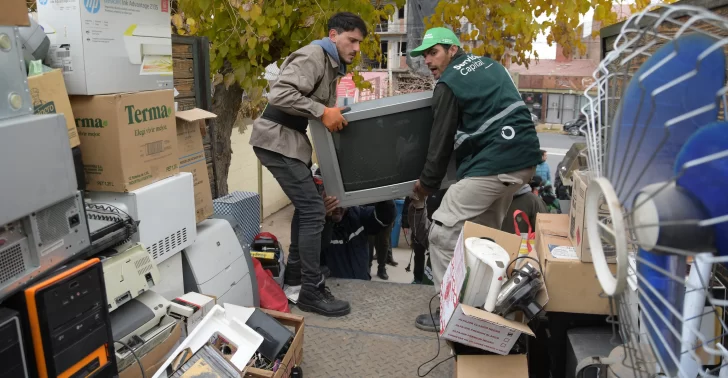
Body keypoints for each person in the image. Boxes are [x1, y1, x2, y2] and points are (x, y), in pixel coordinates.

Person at [408, 27, 542, 331]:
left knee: (442, 233)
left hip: (493, 164)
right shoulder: (492, 65)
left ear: (453, 50)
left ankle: (449, 312)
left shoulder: (449, 83)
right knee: (484, 238)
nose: (428, 60)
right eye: (425, 54)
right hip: (524, 160)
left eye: (434, 52)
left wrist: (426, 185)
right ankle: (485, 306)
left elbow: (439, 143)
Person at [249, 12, 368, 317]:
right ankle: (311, 290)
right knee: (315, 211)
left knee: (309, 209)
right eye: (351, 39)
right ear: (333, 35)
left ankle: (295, 283)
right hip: (276, 140)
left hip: (290, 142)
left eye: (359, 43)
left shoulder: (332, 66)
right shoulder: (315, 55)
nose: (356, 48)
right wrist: (321, 110)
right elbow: (280, 93)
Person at [323, 199, 396, 280]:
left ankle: (381, 268)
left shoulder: (358, 215)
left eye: (339, 201)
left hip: (361, 285)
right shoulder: (314, 225)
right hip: (331, 288)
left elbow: (386, 216)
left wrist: (385, 196)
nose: (336, 207)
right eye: (330, 201)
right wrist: (325, 219)